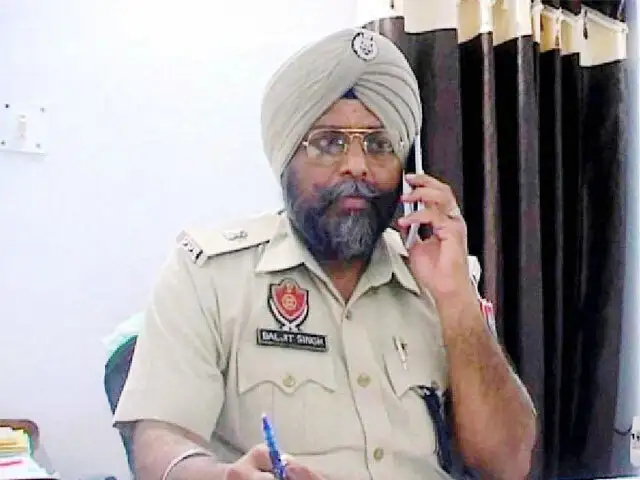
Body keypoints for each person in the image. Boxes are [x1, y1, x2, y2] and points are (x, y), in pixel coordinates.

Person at [113, 28, 537, 480]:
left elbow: (509, 463)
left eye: (379, 144)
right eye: (329, 142)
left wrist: (458, 303)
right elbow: (158, 442)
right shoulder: (210, 274)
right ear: (286, 159)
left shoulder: (438, 281)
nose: (357, 165)